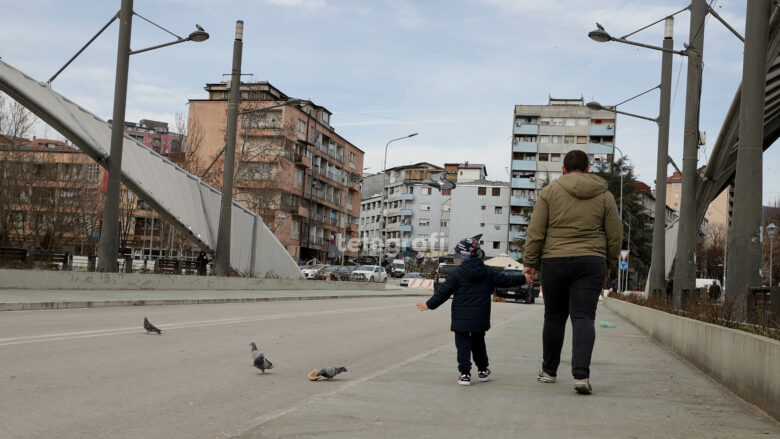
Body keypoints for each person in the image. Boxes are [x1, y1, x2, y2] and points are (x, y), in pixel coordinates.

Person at [522, 149, 622, 395]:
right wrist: (609, 263)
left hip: (554, 260)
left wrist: (529, 263)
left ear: (563, 170)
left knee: (554, 317)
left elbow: (536, 231)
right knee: (584, 317)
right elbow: (615, 234)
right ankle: (581, 376)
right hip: (591, 261)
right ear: (588, 169)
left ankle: (548, 372)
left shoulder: (549, 192)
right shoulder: (605, 195)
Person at [417, 238, 526, 386]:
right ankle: (482, 371)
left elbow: (443, 292)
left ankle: (464, 375)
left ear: (463, 255)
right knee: (478, 343)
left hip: (460, 318)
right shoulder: (488, 272)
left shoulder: (456, 274)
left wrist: (429, 304)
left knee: (462, 346)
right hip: (479, 317)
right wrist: (524, 278)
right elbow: (506, 280)